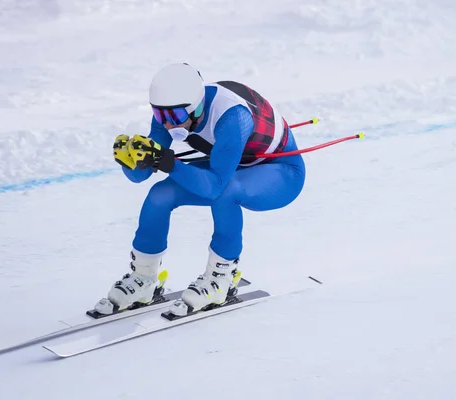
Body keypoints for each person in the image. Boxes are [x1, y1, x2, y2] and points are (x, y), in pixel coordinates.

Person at [94, 63, 306, 317]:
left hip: (280, 173)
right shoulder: (171, 109)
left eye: (174, 117)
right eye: (161, 117)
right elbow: (142, 175)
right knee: (160, 195)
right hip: (235, 166)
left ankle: (222, 278)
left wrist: (167, 161)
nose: (168, 125)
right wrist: (129, 161)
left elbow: (214, 186)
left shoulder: (232, 116)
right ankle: (145, 277)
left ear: (197, 107)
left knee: (225, 194)